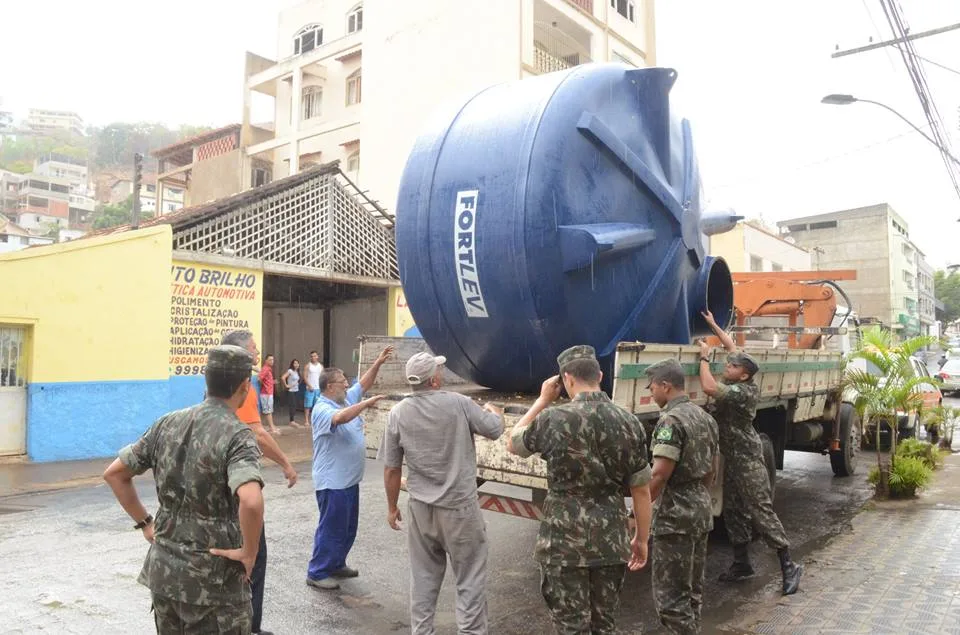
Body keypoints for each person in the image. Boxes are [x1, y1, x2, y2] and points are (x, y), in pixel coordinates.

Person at [102, 345, 265, 633]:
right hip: (213, 585)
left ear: (207, 379)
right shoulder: (238, 435)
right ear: (244, 386)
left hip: (165, 574)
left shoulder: (168, 423)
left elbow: (115, 474)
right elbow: (251, 501)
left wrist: (145, 522)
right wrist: (249, 552)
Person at [506, 345, 653, 634]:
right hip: (611, 542)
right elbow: (641, 491)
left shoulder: (553, 419)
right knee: (605, 625)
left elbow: (513, 443)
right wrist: (641, 539)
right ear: (599, 375)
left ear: (567, 379)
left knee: (570, 626)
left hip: (563, 544)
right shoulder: (630, 423)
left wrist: (542, 400)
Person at [379, 352, 504, 634]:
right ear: (434, 380)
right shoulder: (457, 403)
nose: (442, 373)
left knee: (422, 581)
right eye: (440, 370)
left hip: (421, 509)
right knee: (469, 580)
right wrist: (495, 411)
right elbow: (494, 430)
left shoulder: (397, 413)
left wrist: (391, 507)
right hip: (459, 509)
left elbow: (391, 469)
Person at [699, 310, 802, 596]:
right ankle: (742, 564)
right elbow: (732, 346)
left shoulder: (741, 392)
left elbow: (708, 386)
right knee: (733, 511)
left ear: (742, 375)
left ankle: (788, 565)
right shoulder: (738, 378)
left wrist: (704, 358)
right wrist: (713, 324)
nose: (727, 366)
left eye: (731, 367)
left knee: (760, 510)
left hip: (748, 460)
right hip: (733, 459)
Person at [222, 330, 298, 635]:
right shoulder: (244, 388)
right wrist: (286, 463)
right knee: (253, 556)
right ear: (240, 353)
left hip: (222, 486)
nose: (258, 352)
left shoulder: (217, 384)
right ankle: (249, 627)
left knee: (228, 559)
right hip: (241, 485)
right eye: (253, 348)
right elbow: (258, 433)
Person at [306, 345, 394, 590]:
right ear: (329, 387)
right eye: (342, 381)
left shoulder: (343, 399)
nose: (347, 385)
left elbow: (362, 385)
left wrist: (377, 363)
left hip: (348, 480)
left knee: (347, 528)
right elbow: (341, 418)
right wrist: (366, 405)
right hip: (332, 482)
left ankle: (336, 563)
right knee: (331, 528)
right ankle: (317, 572)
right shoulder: (323, 409)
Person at [645, 358, 719, 635]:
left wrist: (637, 514)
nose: (650, 392)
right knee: (692, 593)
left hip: (676, 517)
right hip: (700, 510)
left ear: (666, 386)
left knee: (670, 601)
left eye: (652, 386)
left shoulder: (670, 421)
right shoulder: (706, 418)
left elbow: (658, 475)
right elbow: (712, 470)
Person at [258, 354, 280, 436]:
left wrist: (272, 382)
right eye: (270, 360)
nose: (272, 361)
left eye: (273, 360)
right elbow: (259, 378)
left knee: (269, 410)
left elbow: (265, 379)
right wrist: (265, 386)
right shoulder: (266, 369)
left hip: (268, 393)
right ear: (266, 361)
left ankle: (272, 426)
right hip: (266, 393)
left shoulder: (268, 369)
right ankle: (271, 428)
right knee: (268, 411)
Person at [304, 350, 323, 430]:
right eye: (312, 356)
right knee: (308, 405)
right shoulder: (308, 366)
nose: (313, 357)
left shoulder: (321, 366)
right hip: (310, 389)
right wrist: (309, 385)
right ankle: (306, 420)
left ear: (317, 356)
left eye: (315, 356)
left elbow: (322, 377)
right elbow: (305, 377)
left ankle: (315, 421)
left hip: (318, 388)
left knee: (317, 406)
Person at [282, 359, 304, 428]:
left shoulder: (297, 372)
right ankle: (292, 421)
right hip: (291, 391)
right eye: (295, 363)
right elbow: (283, 377)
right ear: (292, 364)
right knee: (292, 406)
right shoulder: (290, 371)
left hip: (296, 390)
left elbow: (298, 380)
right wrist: (286, 385)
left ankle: (292, 420)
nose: (296, 365)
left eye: (297, 363)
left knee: (295, 406)